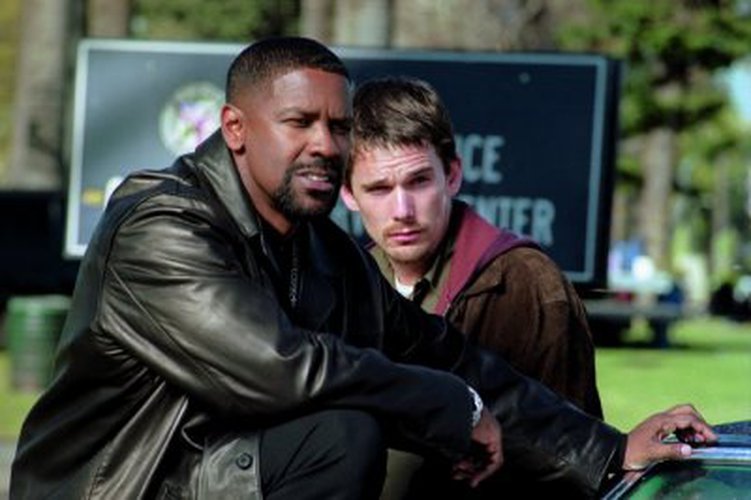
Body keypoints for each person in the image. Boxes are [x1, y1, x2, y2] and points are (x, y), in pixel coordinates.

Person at [11, 37, 715, 500]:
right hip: (121, 486)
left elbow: (438, 350)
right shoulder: (161, 226)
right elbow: (279, 366)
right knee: (342, 435)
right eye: (299, 123)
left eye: (339, 126)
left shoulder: (322, 249)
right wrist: (450, 407)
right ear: (235, 129)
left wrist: (608, 449)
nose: (325, 144)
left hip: (215, 474)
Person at [339, 76, 605, 497]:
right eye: (379, 189)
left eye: (419, 181)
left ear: (453, 175)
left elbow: (572, 459)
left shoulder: (524, 283)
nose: (402, 210)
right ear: (348, 194)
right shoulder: (348, 279)